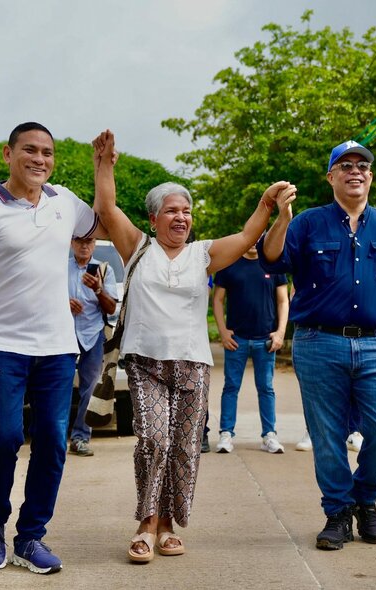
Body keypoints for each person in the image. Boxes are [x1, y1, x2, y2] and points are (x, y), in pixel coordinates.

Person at [92, 129, 296, 563]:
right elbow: (107, 208)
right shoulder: (138, 247)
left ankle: (167, 524)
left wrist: (267, 204)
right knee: (153, 439)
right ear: (153, 219)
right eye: (171, 211)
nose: (181, 218)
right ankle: (145, 522)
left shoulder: (203, 253)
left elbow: (246, 239)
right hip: (145, 362)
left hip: (193, 367)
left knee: (184, 448)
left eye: (186, 211)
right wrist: (104, 164)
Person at [261, 140, 376, 550]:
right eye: (345, 166)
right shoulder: (307, 223)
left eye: (362, 165)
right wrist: (283, 217)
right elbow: (271, 260)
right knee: (327, 435)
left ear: (371, 176)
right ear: (331, 177)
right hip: (318, 342)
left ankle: (366, 498)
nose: (355, 171)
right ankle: (338, 513)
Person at [0, 122, 103, 574]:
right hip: (1, 345)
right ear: (8, 154)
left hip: (58, 348)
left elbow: (105, 214)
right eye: (30, 150)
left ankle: (31, 536)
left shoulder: (64, 202)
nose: (40, 159)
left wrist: (103, 168)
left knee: (54, 443)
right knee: (2, 438)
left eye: (47, 152)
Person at [212, 244, 289, 454]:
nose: (255, 242)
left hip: (266, 339)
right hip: (237, 339)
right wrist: (223, 331)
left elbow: (283, 300)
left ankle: (269, 435)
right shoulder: (229, 262)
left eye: (259, 238)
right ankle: (226, 434)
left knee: (266, 388)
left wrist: (280, 332)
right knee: (231, 387)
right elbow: (218, 299)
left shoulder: (273, 264)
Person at [67, 235, 118, 457]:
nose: (84, 245)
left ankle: (80, 438)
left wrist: (98, 289)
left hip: (93, 333)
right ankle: (56, 437)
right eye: (79, 241)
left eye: (89, 241)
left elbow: (111, 308)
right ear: (71, 243)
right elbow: (43, 297)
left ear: (94, 244)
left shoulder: (104, 270)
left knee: (90, 387)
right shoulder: (59, 267)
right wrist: (64, 303)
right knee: (58, 385)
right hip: (63, 333)